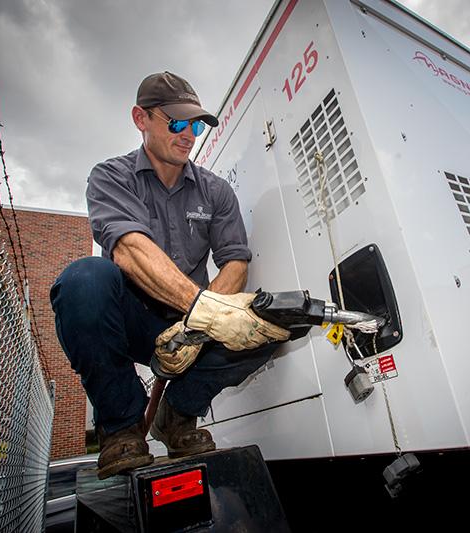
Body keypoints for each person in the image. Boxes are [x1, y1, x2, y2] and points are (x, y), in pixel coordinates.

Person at [50, 71, 290, 480]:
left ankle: (177, 416)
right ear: (140, 119)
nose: (189, 135)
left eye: (195, 124)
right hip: (132, 319)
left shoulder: (215, 192)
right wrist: (205, 311)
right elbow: (129, 249)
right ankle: (122, 430)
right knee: (83, 280)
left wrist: (202, 323)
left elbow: (235, 261)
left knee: (274, 324)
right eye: (176, 122)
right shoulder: (111, 176)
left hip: (193, 325)